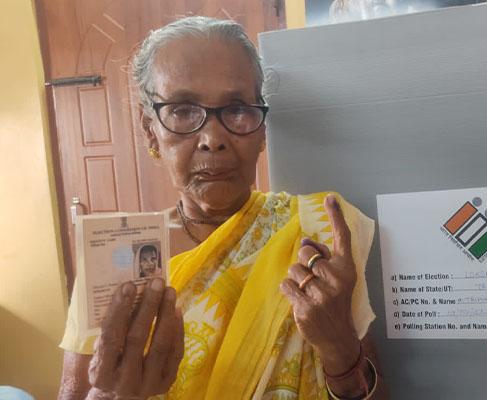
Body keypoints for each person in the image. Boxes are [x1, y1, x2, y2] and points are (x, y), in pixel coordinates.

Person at [57, 16, 386, 400]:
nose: (212, 138)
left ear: (261, 129)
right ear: (151, 131)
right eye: (182, 110)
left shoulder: (316, 233)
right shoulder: (115, 257)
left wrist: (341, 351)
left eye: (236, 109)